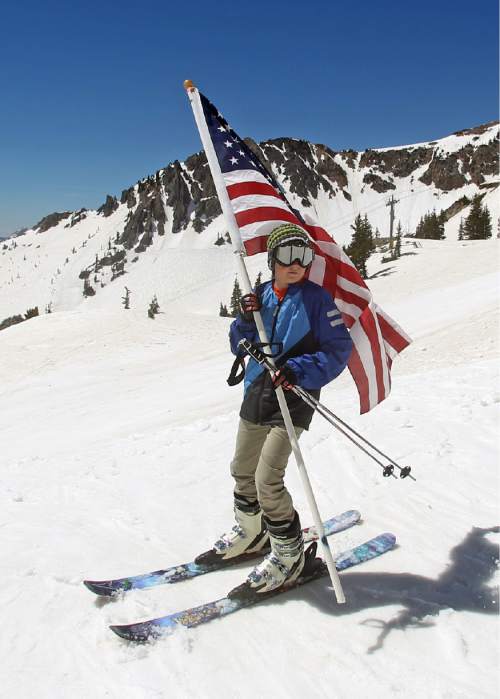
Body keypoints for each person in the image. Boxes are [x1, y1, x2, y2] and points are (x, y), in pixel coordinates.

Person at [196, 223, 353, 599]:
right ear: (272, 259)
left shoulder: (317, 301)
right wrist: (247, 321)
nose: (296, 264)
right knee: (242, 469)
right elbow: (238, 343)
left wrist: (298, 369)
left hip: (294, 399)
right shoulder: (260, 295)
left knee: (269, 480)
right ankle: (252, 533)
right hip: (256, 392)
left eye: (304, 256)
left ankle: (289, 554)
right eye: (287, 256)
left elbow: (338, 351)